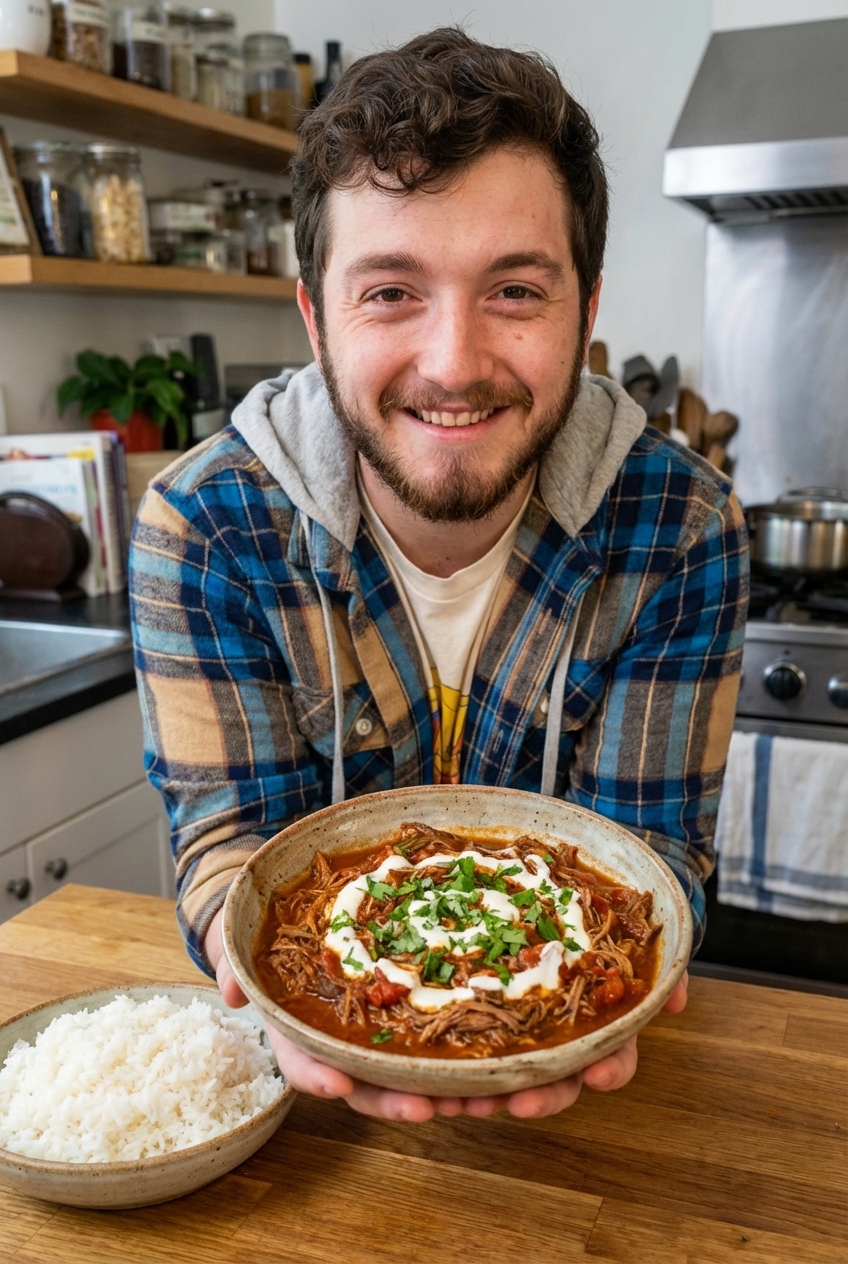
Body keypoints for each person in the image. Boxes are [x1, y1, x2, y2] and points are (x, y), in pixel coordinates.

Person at [130, 28, 748, 1122]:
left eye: (514, 290)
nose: (454, 361)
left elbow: (650, 862)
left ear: (586, 312)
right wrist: (260, 974)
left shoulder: (682, 526)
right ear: (317, 316)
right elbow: (233, 851)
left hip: (604, 1132)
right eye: (390, 293)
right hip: (304, 1130)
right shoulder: (204, 525)